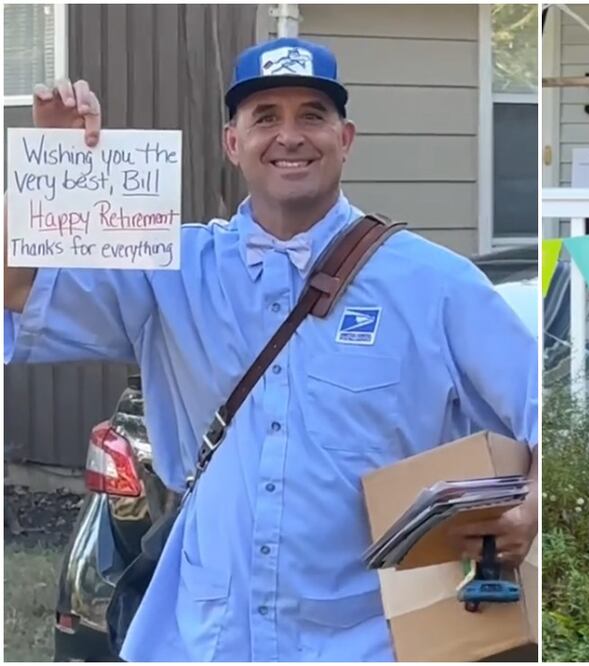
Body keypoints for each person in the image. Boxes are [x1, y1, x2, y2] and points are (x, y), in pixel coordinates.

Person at [5, 37, 539, 660]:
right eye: (265, 117)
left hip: (370, 643)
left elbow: (541, 410)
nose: (290, 135)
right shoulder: (171, 268)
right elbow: (15, 289)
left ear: (345, 139)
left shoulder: (436, 285)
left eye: (312, 115)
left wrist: (531, 508)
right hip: (208, 640)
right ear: (233, 143)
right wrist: (52, 169)